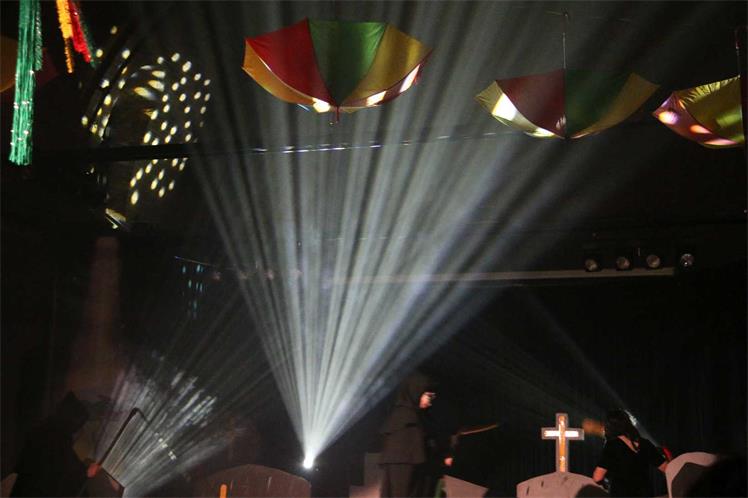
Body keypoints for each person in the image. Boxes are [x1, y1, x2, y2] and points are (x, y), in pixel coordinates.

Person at [11, 392, 101, 497]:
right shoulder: (57, 438)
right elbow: (63, 468)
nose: (79, 430)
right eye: (79, 426)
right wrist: (85, 472)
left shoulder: (47, 428)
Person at [379, 372, 439, 497]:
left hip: (406, 466)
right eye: (428, 396)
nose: (430, 401)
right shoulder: (405, 418)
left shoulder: (412, 416)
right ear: (416, 392)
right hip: (404, 467)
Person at [592, 409, 667, 497]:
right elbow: (666, 468)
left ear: (609, 426)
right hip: (645, 494)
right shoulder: (645, 443)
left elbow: (598, 477)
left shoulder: (612, 445)